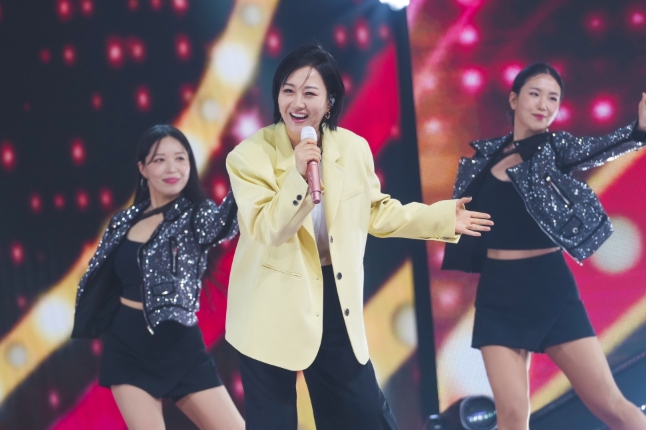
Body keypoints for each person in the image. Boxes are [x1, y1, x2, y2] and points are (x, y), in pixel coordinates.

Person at [224, 43, 492, 430]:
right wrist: (298, 177)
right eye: (288, 90)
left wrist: (441, 218)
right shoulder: (248, 156)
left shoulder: (352, 149)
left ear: (329, 101)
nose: (297, 102)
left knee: (364, 415)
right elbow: (267, 229)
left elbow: (376, 211)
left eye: (310, 93)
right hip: (268, 303)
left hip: (333, 297)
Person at [442, 63, 646, 430]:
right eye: (535, 94)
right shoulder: (483, 158)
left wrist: (639, 131)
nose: (543, 104)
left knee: (610, 405)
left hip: (548, 287)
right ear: (514, 99)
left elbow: (600, 148)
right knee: (511, 415)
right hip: (497, 294)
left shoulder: (555, 148)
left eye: (553, 98)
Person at [72, 125, 244, 430]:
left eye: (180, 158)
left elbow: (226, 222)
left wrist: (253, 177)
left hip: (182, 348)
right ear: (143, 168)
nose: (172, 168)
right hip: (127, 347)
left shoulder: (197, 215)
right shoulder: (123, 221)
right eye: (160, 160)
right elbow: (100, 278)